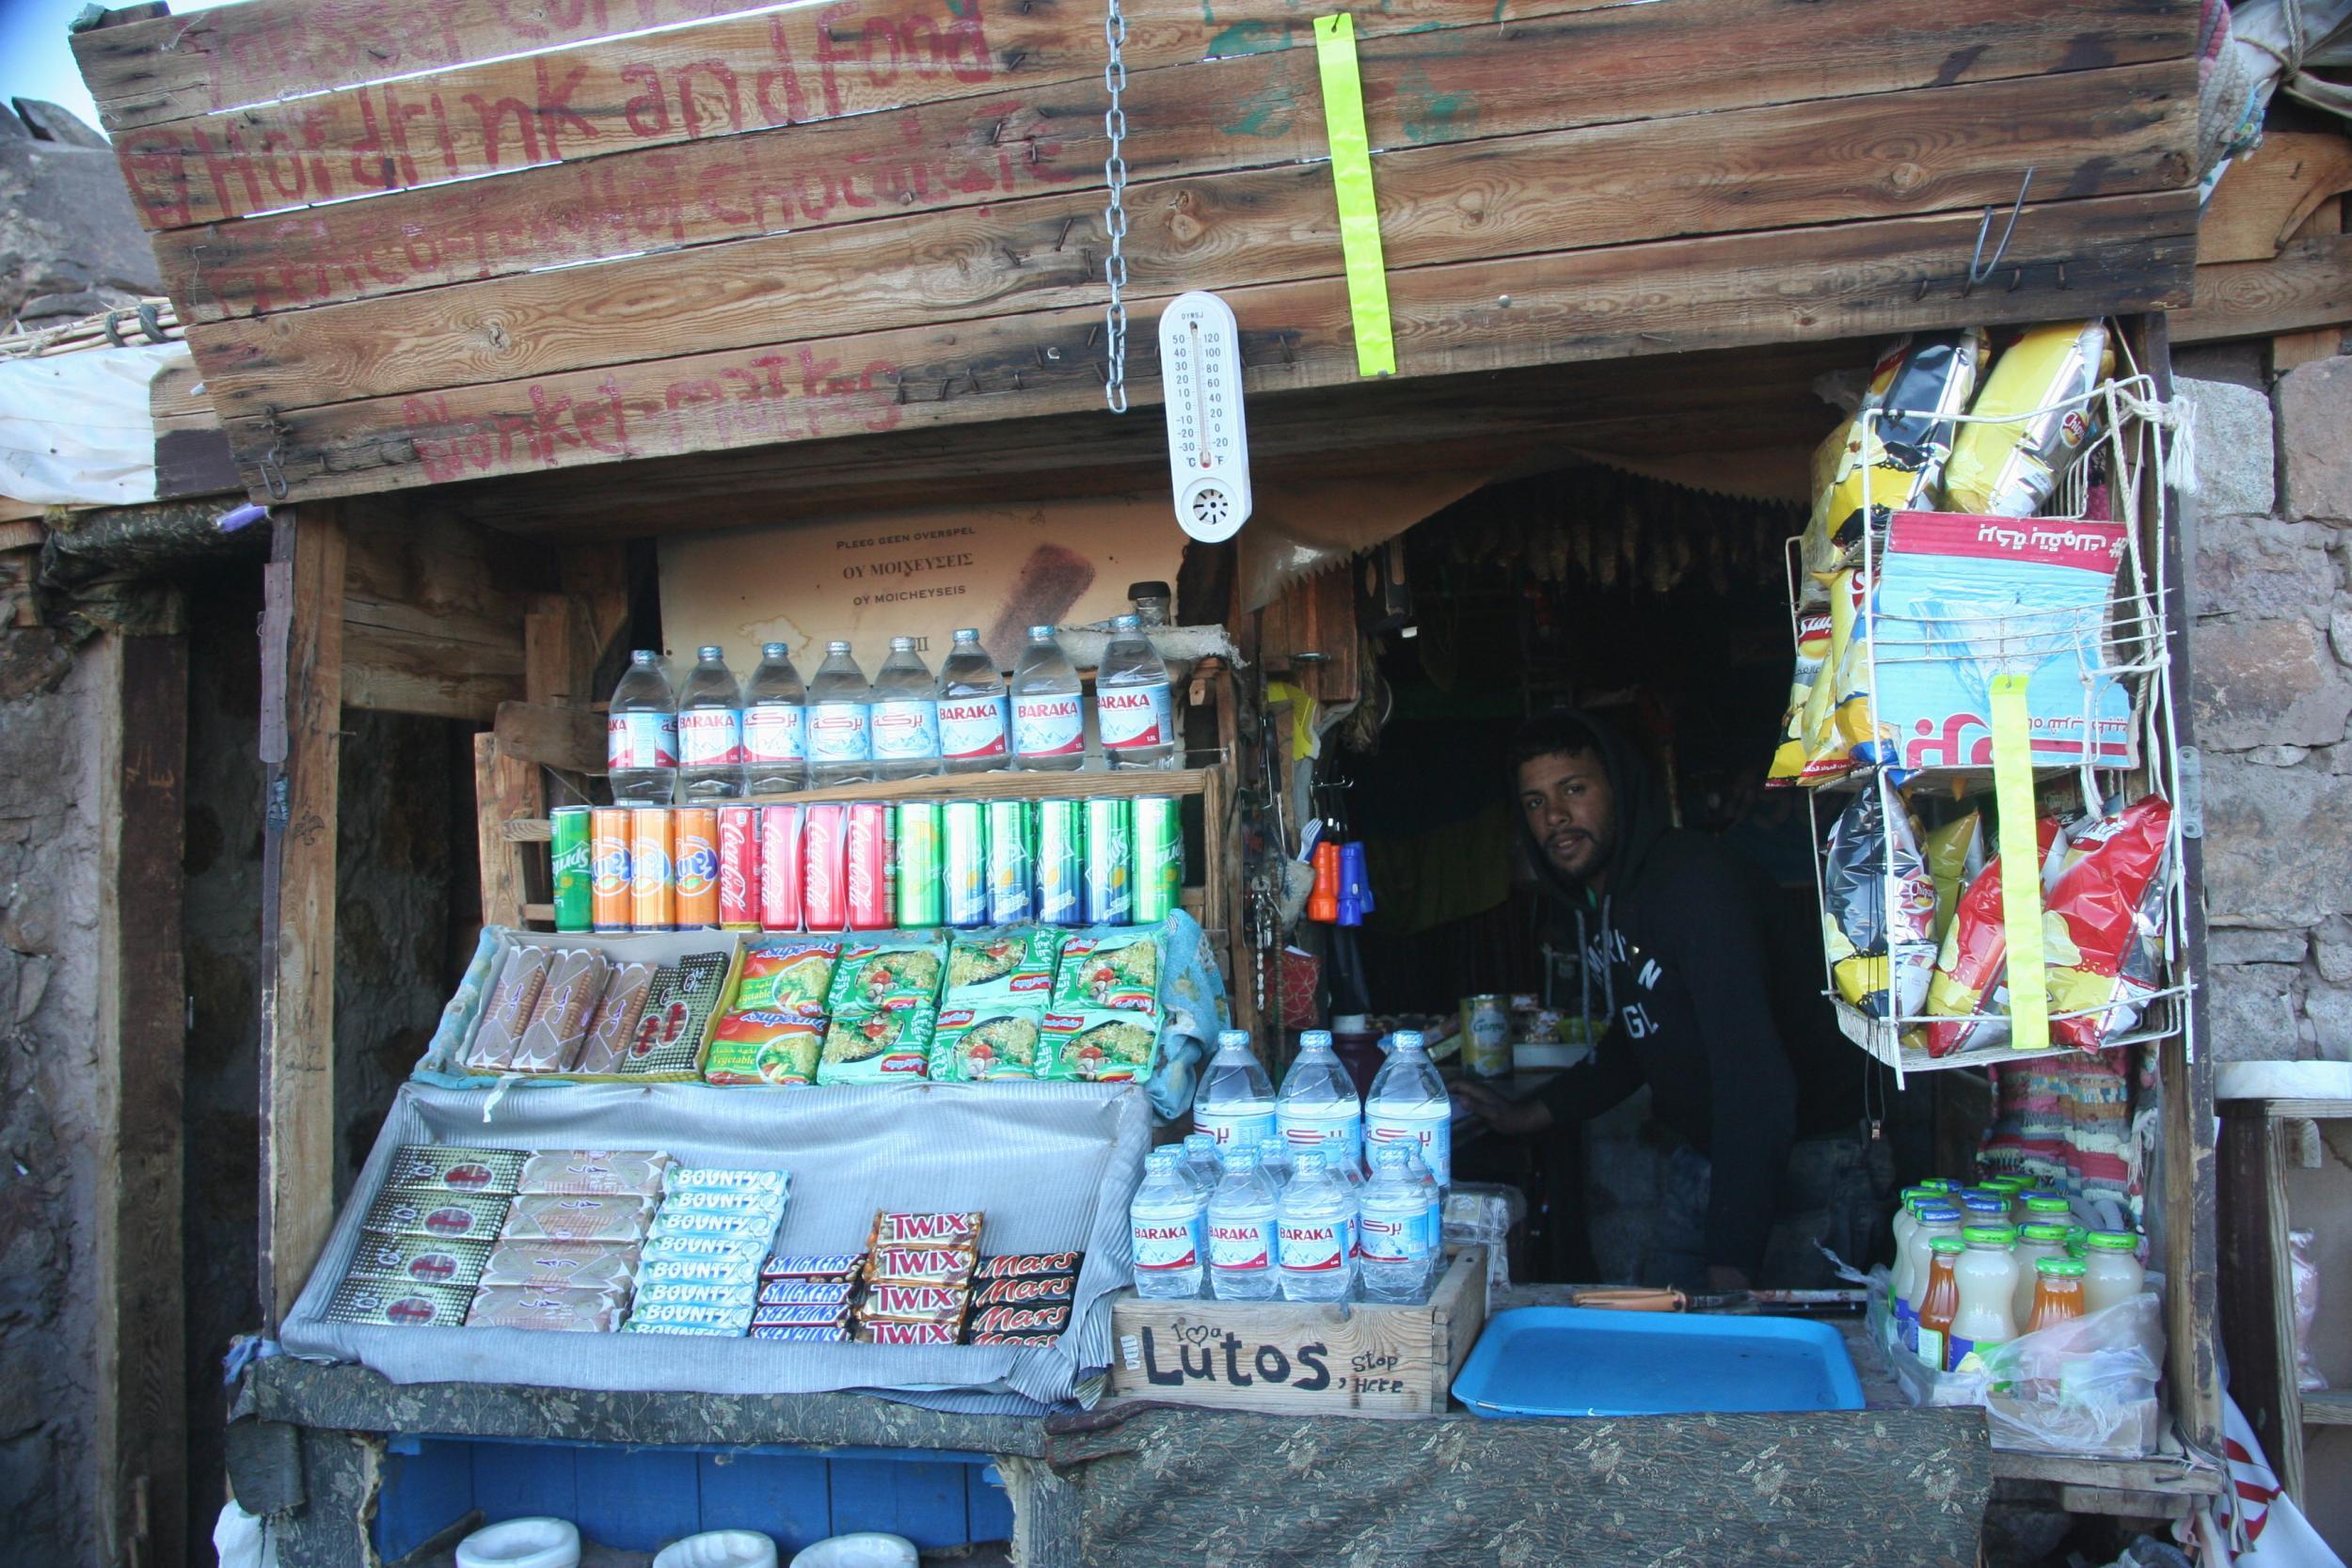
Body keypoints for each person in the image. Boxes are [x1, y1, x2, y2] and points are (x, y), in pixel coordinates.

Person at [1453, 708, 1890, 1291]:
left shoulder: (1692, 884)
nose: (1554, 816)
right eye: (1534, 802)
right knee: (1680, 1356)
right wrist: (1526, 1114)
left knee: (1752, 1368)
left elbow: (1754, 1077)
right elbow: (1640, 1038)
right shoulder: (1617, 901)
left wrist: (1731, 1259)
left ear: (1621, 790)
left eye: (1573, 789)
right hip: (1711, 1164)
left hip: (1798, 1169)